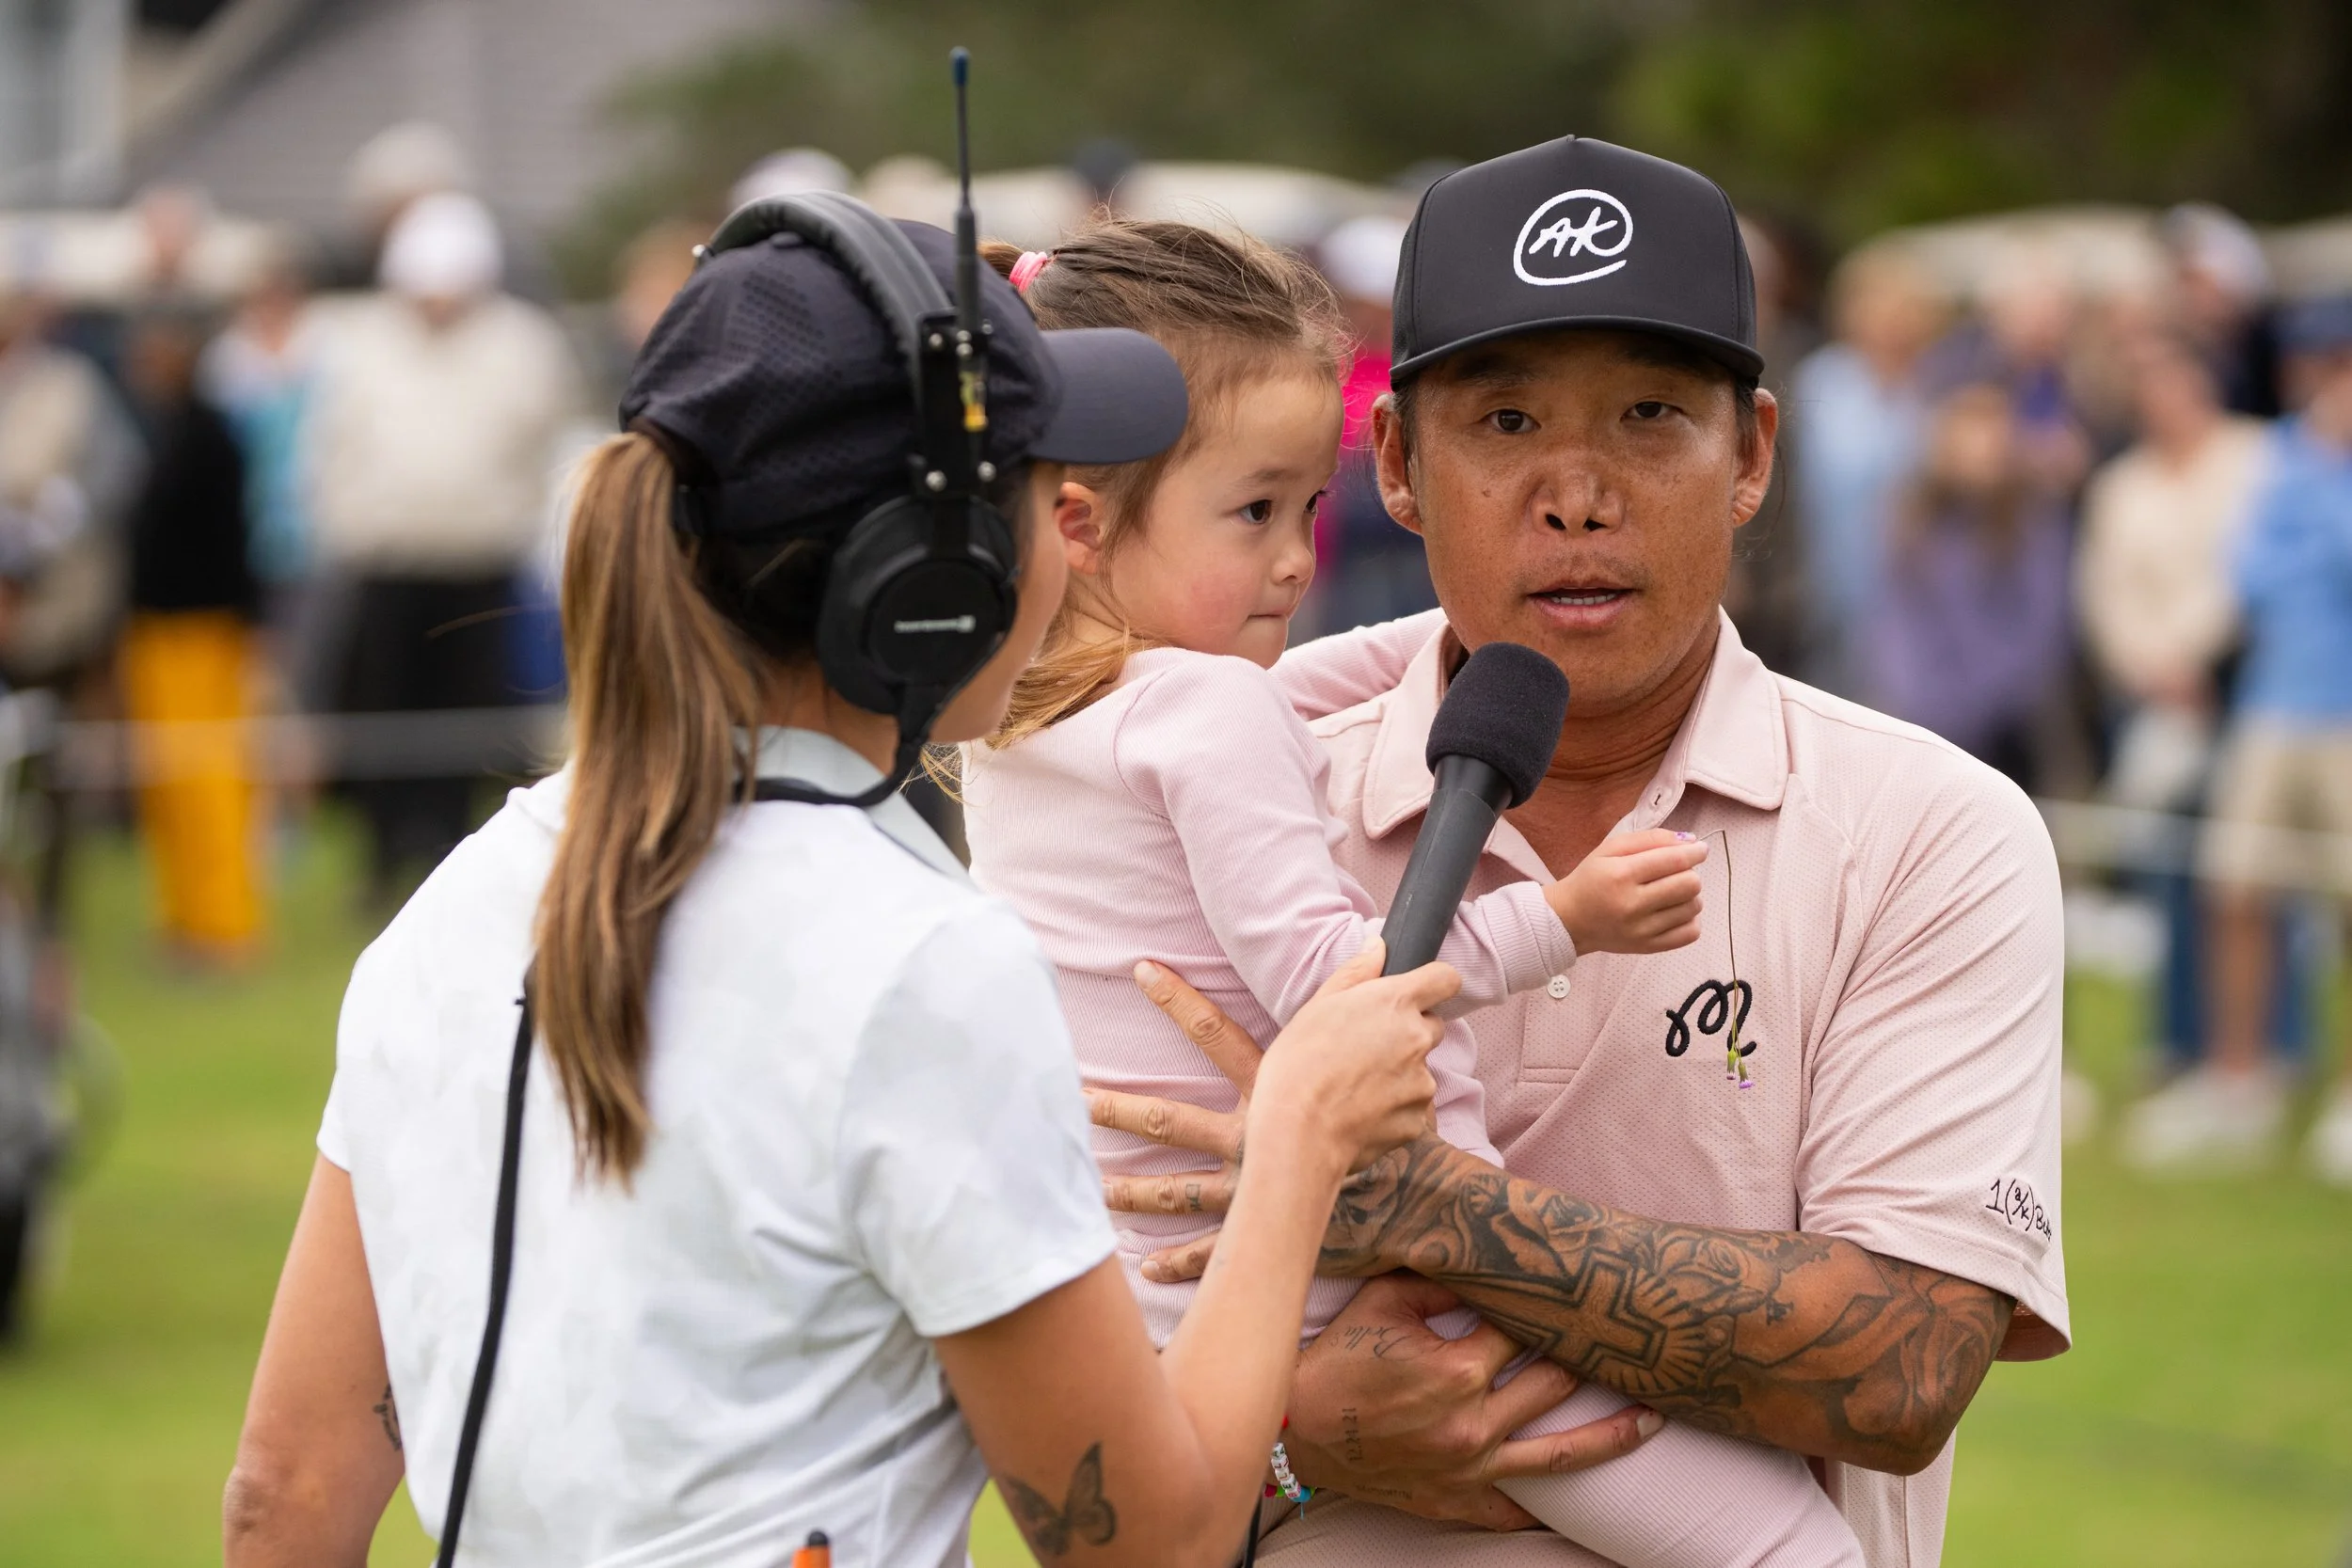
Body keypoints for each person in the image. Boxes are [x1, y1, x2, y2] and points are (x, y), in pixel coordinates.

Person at [222, 202, 1483, 1568]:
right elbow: (1146, 1547)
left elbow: (283, 1495)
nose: (1069, 543)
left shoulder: (451, 909)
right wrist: (1299, 1135)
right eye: (1039, 497)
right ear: (932, 577)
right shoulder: (924, 965)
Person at [1087, 135, 2070, 1567]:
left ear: (1753, 456)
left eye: (1651, 415)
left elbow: (1898, 1365)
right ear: (1397, 462)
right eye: (1503, 421)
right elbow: (1072, 1437)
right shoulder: (1225, 792)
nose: (1578, 493)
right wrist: (1296, 1436)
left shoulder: (1927, 828)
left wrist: (1427, 1209)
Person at [965, 222, 1862, 1566]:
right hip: (1382, 1285)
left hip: (1168, 1310)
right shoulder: (1208, 712)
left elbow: (1331, 676)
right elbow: (1353, 998)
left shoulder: (1015, 725)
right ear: (1083, 520)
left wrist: (1510, 621)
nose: (1295, 559)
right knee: (1789, 1545)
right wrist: (1569, 917)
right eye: (1255, 511)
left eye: (1306, 507)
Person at [304, 191, 580, 901]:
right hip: (385, 568)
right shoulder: (360, 342)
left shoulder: (522, 345)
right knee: (381, 719)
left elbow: (543, 446)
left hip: (480, 568)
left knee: (470, 724)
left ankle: (453, 850)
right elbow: (332, 447)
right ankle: (380, 856)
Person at [2178, 296, 2352, 1183]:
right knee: (2238, 891)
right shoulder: (2285, 452)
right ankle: (2238, 1079)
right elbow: (2250, 572)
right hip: (2272, 708)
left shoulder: (2304, 461)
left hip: (2344, 715)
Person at [2074, 334, 2274, 1097]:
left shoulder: (2256, 459)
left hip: (2241, 685)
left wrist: (2193, 656)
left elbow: (2250, 573)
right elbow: (2103, 593)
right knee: (2163, 871)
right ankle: (2175, 1038)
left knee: (2247, 879)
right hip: (2152, 698)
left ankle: (2262, 1048)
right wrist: (2152, 668)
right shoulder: (2121, 484)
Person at [118, 307, 263, 967]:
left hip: (203, 629)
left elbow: (230, 541)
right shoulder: (162, 428)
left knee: (209, 778)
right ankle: (184, 917)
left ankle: (225, 925)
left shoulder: (208, 434)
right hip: (157, 630)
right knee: (169, 784)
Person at [1864, 381, 2074, 791]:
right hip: (1923, 726)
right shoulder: (1912, 522)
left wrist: (1971, 709)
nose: (1980, 452)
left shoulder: (2035, 522)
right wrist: (1918, 705)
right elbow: (1895, 628)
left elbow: (2043, 633)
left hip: (2008, 731)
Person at [1787, 247, 1943, 695]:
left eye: (1903, 310)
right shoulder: (1821, 382)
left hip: (1919, 597)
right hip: (1827, 586)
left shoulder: (1935, 386)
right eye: (1878, 309)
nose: (1891, 325)